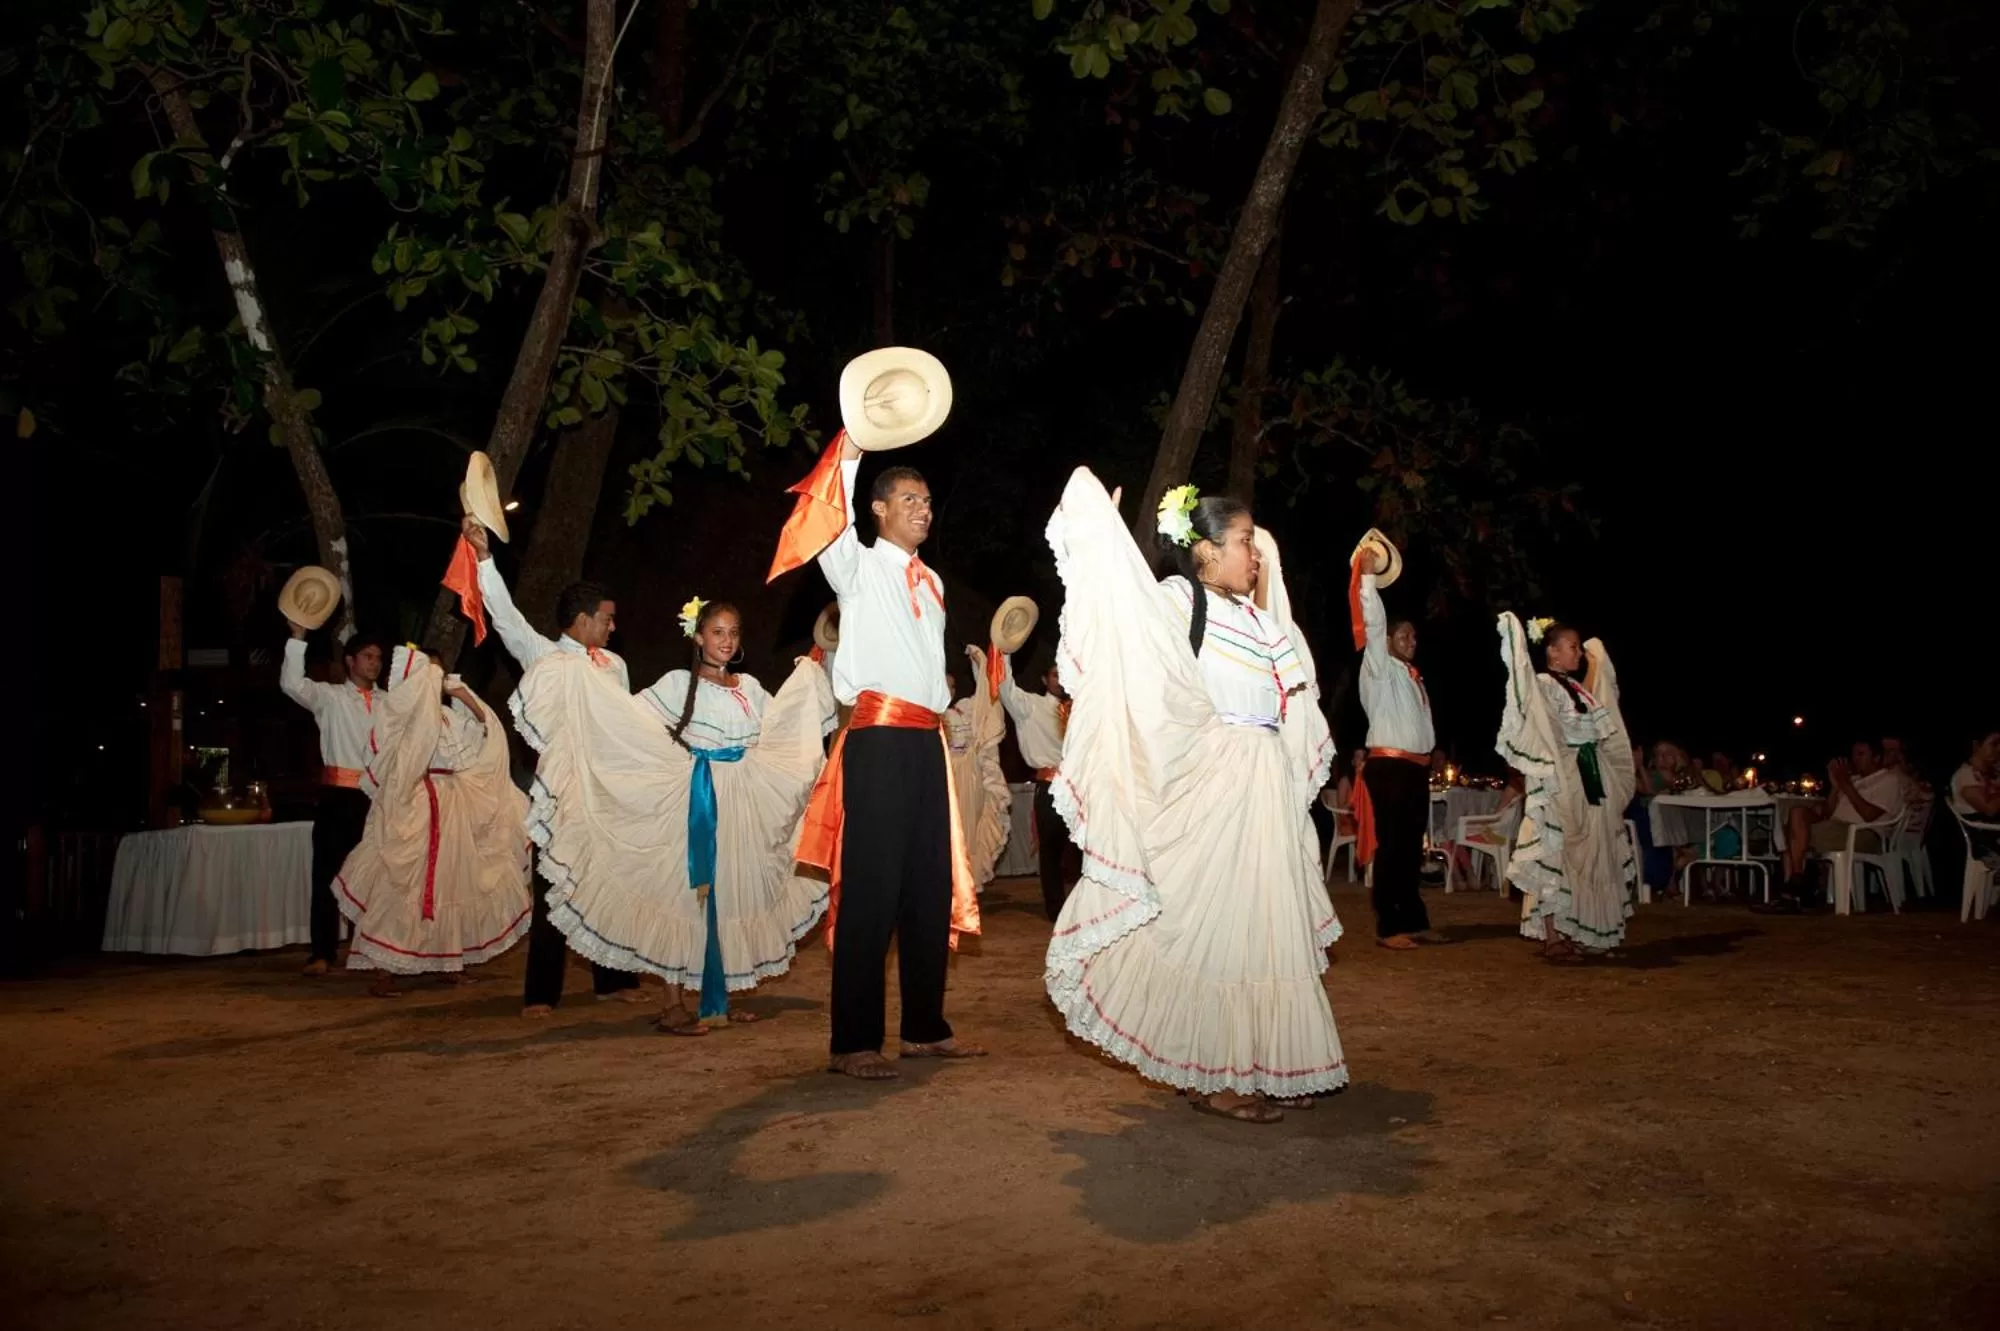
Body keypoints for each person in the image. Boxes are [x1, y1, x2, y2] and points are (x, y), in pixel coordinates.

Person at [1043, 473, 1344, 1124]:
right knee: (1217, 928)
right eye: (1242, 541)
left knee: (1259, 927)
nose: (1253, 554)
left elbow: (1293, 701)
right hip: (1215, 784)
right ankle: (1217, 1075)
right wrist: (1102, 548)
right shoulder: (1181, 600)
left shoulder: (1262, 622)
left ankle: (1243, 1062)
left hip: (1262, 785)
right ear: (1205, 549)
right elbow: (1127, 633)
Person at [518, 596, 835, 1034]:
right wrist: (582, 685)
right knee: (686, 895)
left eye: (733, 632)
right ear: (699, 636)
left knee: (731, 891)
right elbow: (629, 725)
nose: (726, 640)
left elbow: (781, 727)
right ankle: (673, 1005)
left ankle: (715, 1000)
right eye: (717, 632)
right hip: (693, 801)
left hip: (741, 803)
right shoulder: (674, 685)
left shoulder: (750, 689)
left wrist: (812, 674)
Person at [773, 433, 984, 1080]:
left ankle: (924, 1028)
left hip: (926, 744)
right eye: (910, 499)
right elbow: (826, 507)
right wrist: (856, 447)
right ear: (880, 510)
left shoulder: (935, 581)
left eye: (927, 500)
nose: (924, 508)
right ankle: (854, 1041)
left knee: (928, 884)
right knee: (871, 888)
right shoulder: (857, 565)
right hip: (878, 740)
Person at [464, 516, 645, 1015]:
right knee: (554, 885)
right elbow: (505, 618)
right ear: (582, 621)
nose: (613, 627)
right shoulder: (544, 656)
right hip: (561, 790)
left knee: (608, 879)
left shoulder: (616, 667)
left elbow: (625, 726)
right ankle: (541, 993)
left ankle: (612, 979)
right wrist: (483, 559)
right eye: (607, 618)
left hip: (605, 789)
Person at [331, 646, 532, 995]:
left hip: (454, 806)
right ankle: (384, 968)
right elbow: (390, 757)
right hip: (415, 805)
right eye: (428, 673)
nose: (434, 679)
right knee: (402, 883)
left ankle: (448, 960)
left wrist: (464, 694)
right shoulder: (400, 715)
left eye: (438, 673)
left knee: (452, 883)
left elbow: (488, 730)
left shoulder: (451, 718)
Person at [1496, 616, 1639, 960]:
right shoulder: (1543, 684)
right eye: (1572, 647)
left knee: (1593, 855)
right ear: (1553, 652)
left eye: (1577, 646)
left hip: (1591, 777)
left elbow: (1594, 704)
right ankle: (1552, 937)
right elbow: (1544, 728)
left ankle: (1584, 930)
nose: (1577, 652)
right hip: (1565, 777)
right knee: (1556, 849)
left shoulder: (1575, 689)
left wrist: (1595, 657)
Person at [280, 623, 387, 977]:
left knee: (377, 876)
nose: (375, 663)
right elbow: (291, 684)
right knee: (328, 875)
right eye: (368, 657)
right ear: (351, 661)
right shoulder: (331, 697)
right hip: (338, 797)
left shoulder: (390, 704)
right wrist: (297, 638)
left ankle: (370, 949)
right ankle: (322, 952)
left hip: (378, 799)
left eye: (379, 658)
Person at [1350, 537, 1434, 950]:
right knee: (1394, 845)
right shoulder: (1379, 669)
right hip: (1390, 768)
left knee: (1410, 846)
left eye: (1414, 636)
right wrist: (1368, 578)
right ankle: (1390, 926)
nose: (1410, 640)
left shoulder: (1412, 676)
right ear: (1386, 642)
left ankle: (1411, 916)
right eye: (1403, 635)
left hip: (1416, 768)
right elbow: (1374, 623)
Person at [1767, 738, 1909, 909]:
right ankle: (1796, 883)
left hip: (1863, 833)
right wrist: (1835, 787)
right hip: (1837, 829)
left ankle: (1795, 890)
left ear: (1877, 758)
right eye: (1854, 755)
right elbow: (1828, 813)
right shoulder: (1854, 780)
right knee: (1796, 814)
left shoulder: (1888, 779)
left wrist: (1845, 784)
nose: (1855, 759)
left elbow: (1869, 815)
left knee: (1794, 834)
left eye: (1861, 754)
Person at [997, 648, 1075, 920]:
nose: (1060, 679)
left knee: (1090, 851)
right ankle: (1057, 911)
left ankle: (1088, 910)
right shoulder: (1030, 706)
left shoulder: (1082, 711)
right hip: (1051, 788)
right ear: (1045, 680)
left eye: (1064, 674)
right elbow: (1006, 687)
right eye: (1055, 675)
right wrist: (1003, 651)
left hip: (1083, 789)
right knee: (1051, 853)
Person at [945, 652, 1013, 893]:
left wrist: (981, 664)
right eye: (945, 685)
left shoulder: (965, 710)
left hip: (968, 780)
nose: (950, 690)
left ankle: (963, 888)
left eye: (952, 686)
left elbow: (986, 701)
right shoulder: (927, 715)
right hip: (941, 781)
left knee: (967, 834)